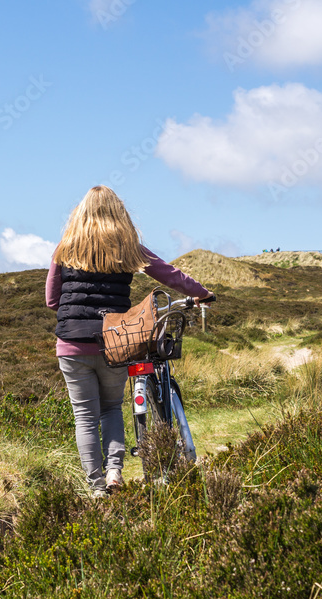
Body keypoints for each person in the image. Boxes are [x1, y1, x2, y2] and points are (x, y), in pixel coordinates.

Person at [45, 186, 213, 497]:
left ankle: (96, 488)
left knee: (85, 415)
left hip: (71, 344)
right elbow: (170, 275)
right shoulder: (128, 247)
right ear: (119, 213)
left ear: (80, 214)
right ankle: (114, 473)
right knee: (111, 408)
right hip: (115, 343)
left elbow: (52, 300)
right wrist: (201, 293)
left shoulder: (64, 248)